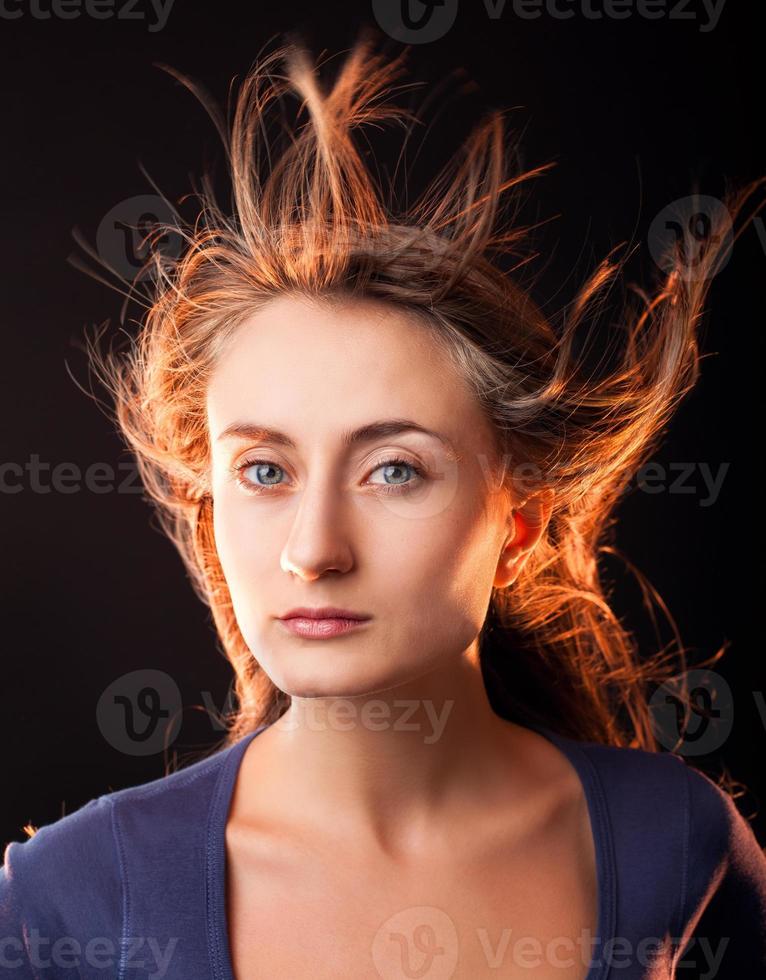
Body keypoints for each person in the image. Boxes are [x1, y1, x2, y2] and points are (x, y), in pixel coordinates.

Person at [2, 29, 765, 979]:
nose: (313, 551)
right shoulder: (69, 898)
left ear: (517, 521)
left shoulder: (679, 844)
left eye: (394, 469)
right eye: (266, 472)